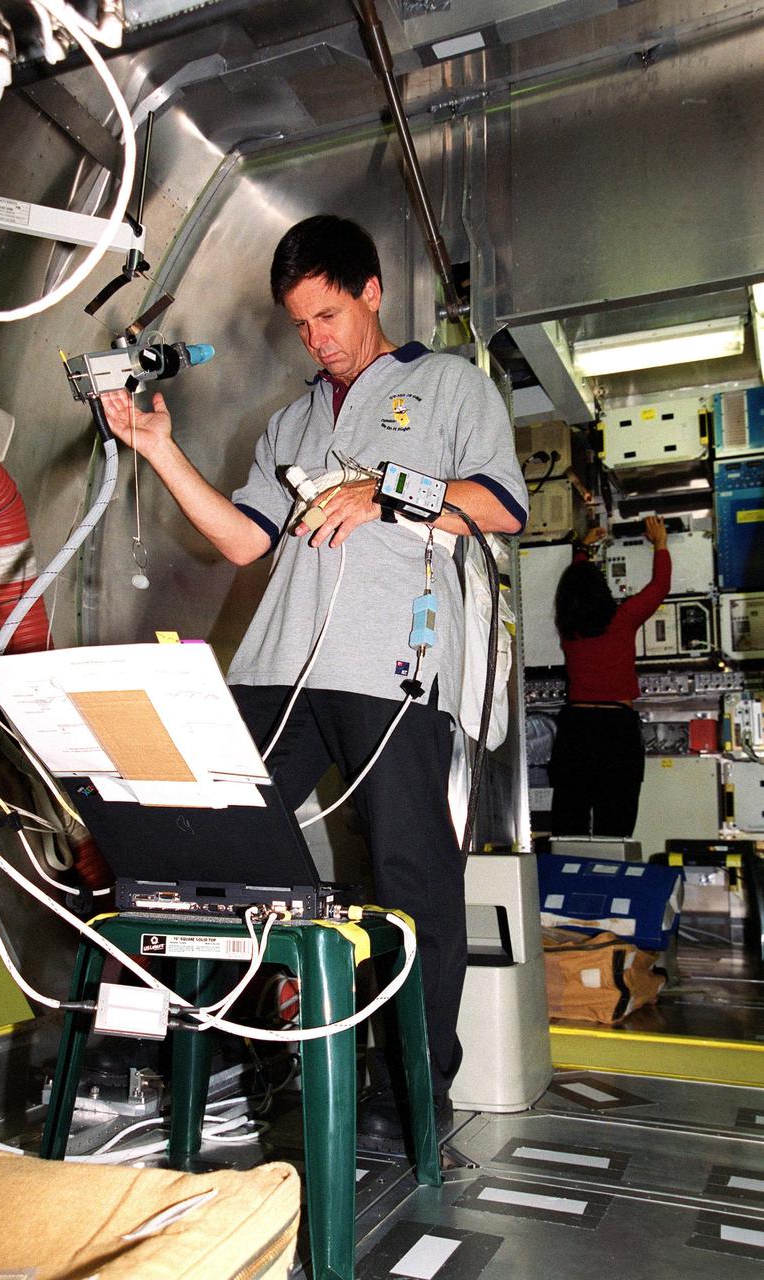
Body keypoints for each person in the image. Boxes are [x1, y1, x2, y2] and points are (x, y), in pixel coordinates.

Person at [101, 213, 528, 1150]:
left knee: (413, 881)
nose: (317, 339)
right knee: (203, 847)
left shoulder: (447, 385)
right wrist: (158, 449)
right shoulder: (290, 422)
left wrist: (385, 491)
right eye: (300, 324)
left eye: (328, 315)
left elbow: (502, 505)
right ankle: (236, 1053)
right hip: (276, 670)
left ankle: (413, 1090)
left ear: (371, 292)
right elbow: (244, 540)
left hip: (394, 672)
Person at [549, 516, 671, 838]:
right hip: (616, 731)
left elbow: (577, 587)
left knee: (569, 828)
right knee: (615, 829)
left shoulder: (568, 628)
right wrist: (660, 543)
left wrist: (582, 550)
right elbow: (659, 587)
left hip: (575, 730)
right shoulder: (623, 619)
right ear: (603, 592)